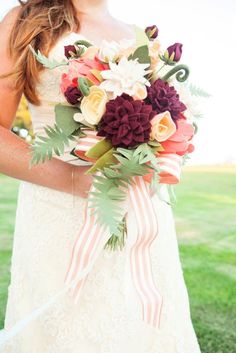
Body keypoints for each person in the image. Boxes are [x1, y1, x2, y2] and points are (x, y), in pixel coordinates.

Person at [0, 1, 202, 352]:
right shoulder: (26, 21)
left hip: (143, 218)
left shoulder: (138, 37)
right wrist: (73, 179)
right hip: (58, 213)